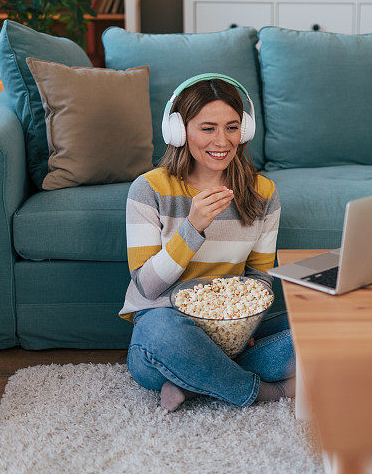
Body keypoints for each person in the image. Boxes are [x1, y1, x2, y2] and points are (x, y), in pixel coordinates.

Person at [119, 74, 295, 412]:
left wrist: (245, 326)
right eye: (207, 128)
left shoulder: (263, 193)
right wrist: (192, 228)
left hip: (237, 337)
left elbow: (260, 278)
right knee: (161, 334)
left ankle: (195, 381)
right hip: (168, 329)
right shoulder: (148, 190)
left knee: (320, 325)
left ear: (244, 130)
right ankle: (262, 391)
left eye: (231, 127)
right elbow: (146, 286)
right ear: (179, 131)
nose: (222, 141)